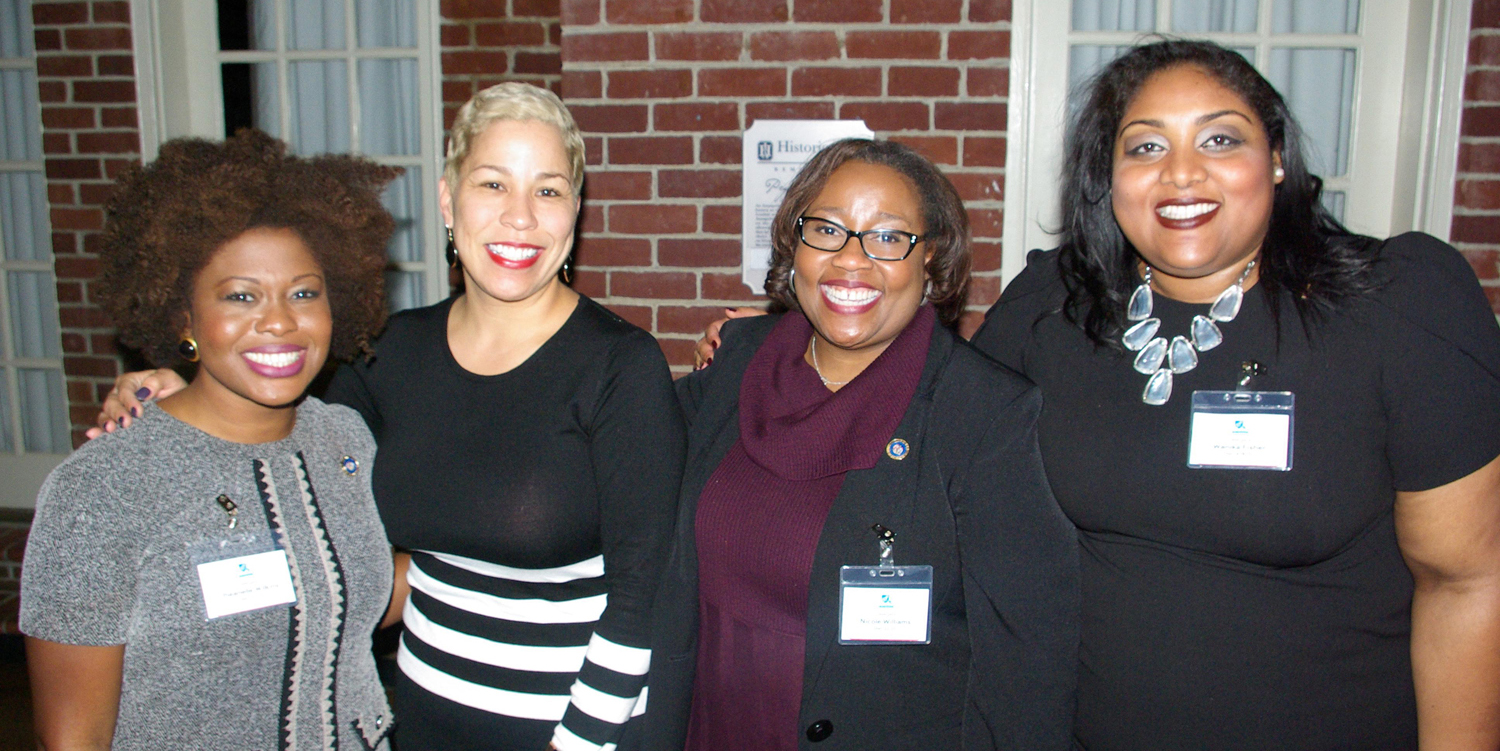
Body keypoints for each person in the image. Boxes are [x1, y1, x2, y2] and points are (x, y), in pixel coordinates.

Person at [90, 82, 684, 751]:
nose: (519, 217)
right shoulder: (393, 353)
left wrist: (578, 742)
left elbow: (644, 595)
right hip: (422, 717)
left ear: (575, 209)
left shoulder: (619, 366)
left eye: (547, 190)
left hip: (577, 728)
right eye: (492, 184)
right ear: (447, 200)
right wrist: (185, 389)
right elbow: (287, 442)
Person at [968, 42, 1500, 749]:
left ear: (1276, 158)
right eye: (1146, 146)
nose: (1182, 172)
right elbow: (937, 447)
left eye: (1220, 139)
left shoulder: (1398, 304)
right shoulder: (1052, 306)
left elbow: (1466, 583)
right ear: (1108, 175)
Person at [642, 139, 1079, 751]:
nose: (852, 259)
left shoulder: (984, 417)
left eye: (888, 237)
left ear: (930, 259)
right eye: (827, 230)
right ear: (795, 245)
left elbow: (1027, 666)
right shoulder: (734, 365)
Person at [21, 130, 400, 749]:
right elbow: (71, 739)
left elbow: (357, 583)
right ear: (184, 316)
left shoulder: (344, 441)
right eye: (241, 296)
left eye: (304, 293)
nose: (279, 320)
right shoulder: (102, 489)